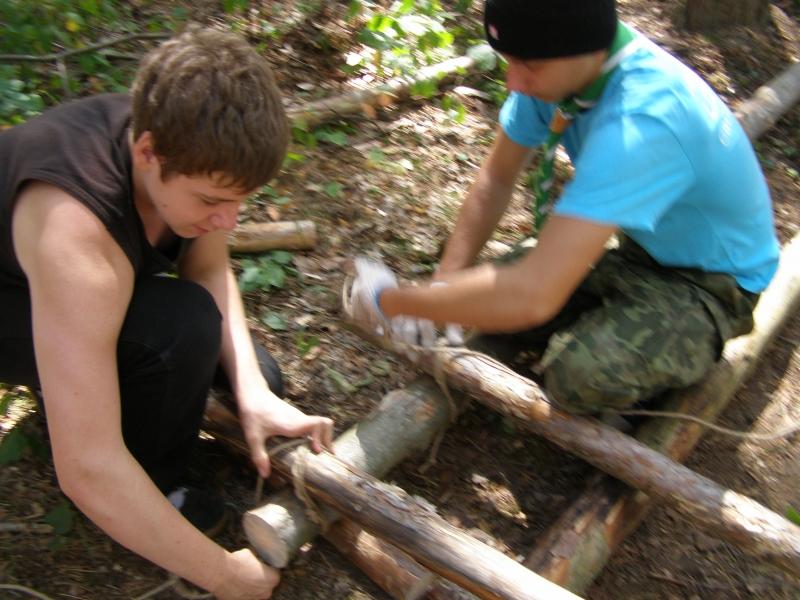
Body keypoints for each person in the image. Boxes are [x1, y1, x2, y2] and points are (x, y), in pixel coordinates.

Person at [0, 28, 333, 598]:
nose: (228, 221)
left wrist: (253, 393)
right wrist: (228, 577)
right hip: (15, 300)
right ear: (147, 153)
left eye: (239, 201)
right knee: (181, 332)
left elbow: (206, 271)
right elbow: (85, 468)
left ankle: (139, 412)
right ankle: (156, 489)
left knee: (250, 368)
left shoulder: (187, 145)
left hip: (71, 291)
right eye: (211, 202)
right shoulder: (75, 229)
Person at [349, 0, 779, 415]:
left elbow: (533, 296)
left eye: (529, 66)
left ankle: (678, 350)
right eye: (509, 60)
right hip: (642, 254)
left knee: (579, 377)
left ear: (586, 48)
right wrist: (444, 283)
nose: (514, 82)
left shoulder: (643, 121)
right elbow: (497, 178)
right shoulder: (564, 67)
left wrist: (394, 301)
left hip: (713, 286)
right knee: (490, 295)